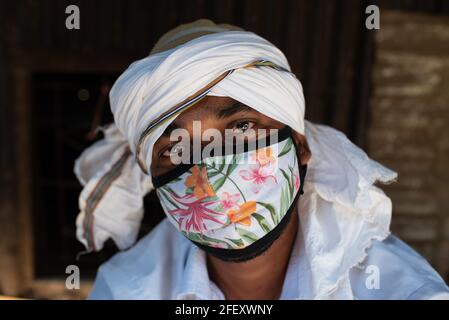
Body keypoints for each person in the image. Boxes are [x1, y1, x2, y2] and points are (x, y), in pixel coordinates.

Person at [74, 19, 449, 300]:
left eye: (241, 127)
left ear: (300, 147)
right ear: (153, 180)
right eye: (175, 149)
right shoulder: (124, 289)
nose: (210, 170)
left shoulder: (400, 291)